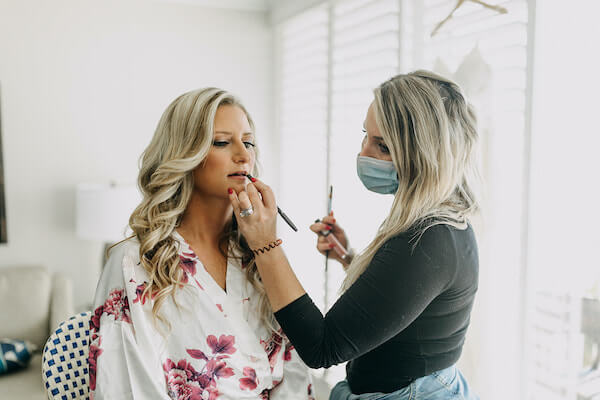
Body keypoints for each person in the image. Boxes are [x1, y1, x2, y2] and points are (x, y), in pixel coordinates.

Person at [228, 70, 481, 400]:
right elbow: (398, 302)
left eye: (383, 146)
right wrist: (349, 257)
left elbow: (323, 347)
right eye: (366, 135)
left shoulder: (429, 241)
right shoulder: (441, 225)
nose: (364, 153)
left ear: (423, 155)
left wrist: (265, 244)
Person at [89, 88, 316, 400]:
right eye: (222, 142)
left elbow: (295, 367)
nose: (244, 154)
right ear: (184, 155)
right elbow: (125, 388)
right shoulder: (135, 264)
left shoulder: (259, 254)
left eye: (247, 141)